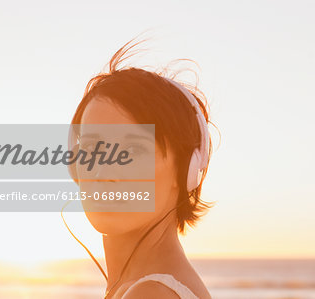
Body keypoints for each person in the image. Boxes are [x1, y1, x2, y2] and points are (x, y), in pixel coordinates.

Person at [69, 38, 215, 299]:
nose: (104, 173)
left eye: (134, 152)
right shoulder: (145, 287)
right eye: (92, 149)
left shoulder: (152, 293)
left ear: (186, 171)